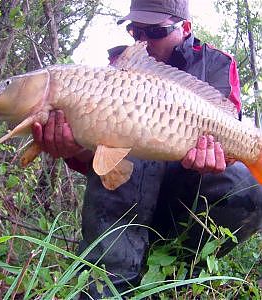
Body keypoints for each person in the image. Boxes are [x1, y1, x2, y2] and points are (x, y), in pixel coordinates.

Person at [32, 0, 262, 298]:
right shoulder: (112, 74)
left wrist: (218, 158)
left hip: (184, 188)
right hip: (127, 189)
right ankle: (108, 278)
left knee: (248, 188)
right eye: (135, 30)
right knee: (129, 155)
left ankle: (173, 270)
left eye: (155, 31)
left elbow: (228, 139)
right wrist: (70, 149)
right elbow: (96, 159)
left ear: (185, 28)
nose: (142, 40)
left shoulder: (215, 64)